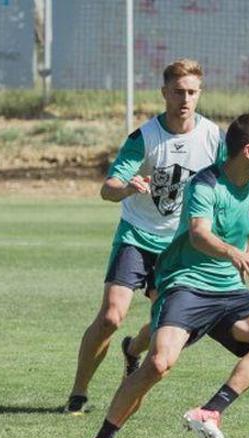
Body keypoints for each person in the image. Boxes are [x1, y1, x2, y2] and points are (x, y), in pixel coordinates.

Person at [81, 114, 249, 438]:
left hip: (228, 291)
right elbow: (198, 233)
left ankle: (210, 412)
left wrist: (242, 259)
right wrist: (234, 254)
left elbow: (247, 230)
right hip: (185, 284)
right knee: (159, 363)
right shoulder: (205, 184)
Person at [64, 59, 227, 415]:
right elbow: (108, 188)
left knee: (162, 330)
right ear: (164, 93)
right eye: (178, 92)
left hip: (179, 247)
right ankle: (78, 392)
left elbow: (227, 183)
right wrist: (126, 189)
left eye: (192, 92)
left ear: (200, 94)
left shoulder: (214, 137)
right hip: (137, 236)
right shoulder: (145, 137)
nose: (185, 99)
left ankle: (132, 350)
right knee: (110, 315)